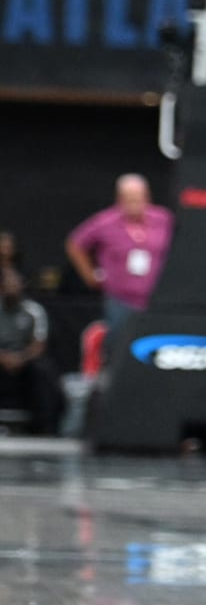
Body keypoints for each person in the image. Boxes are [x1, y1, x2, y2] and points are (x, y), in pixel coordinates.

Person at [64, 174, 174, 335]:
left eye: (138, 198)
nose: (134, 204)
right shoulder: (105, 221)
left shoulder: (163, 219)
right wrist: (90, 276)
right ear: (119, 199)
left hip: (156, 299)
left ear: (147, 197)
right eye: (129, 199)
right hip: (120, 300)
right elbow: (75, 243)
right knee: (119, 342)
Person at [0, 268, 59, 435]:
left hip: (25, 360)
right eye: (7, 283)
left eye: (15, 283)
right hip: (2, 358)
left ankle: (45, 428)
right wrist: (4, 358)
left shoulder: (34, 310)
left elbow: (38, 345)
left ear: (22, 285)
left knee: (43, 370)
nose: (12, 286)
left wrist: (21, 358)